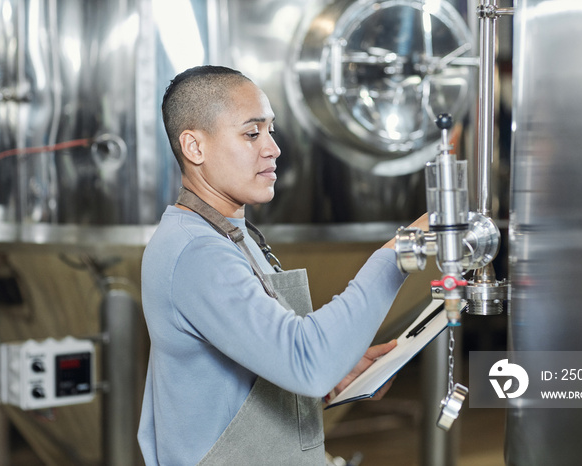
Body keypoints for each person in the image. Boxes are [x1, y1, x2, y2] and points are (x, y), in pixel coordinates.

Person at [137, 65, 428, 465]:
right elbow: (306, 362)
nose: (272, 148)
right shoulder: (197, 252)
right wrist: (399, 254)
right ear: (194, 147)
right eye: (251, 133)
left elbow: (256, 368)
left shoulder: (230, 233)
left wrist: (335, 375)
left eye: (270, 131)